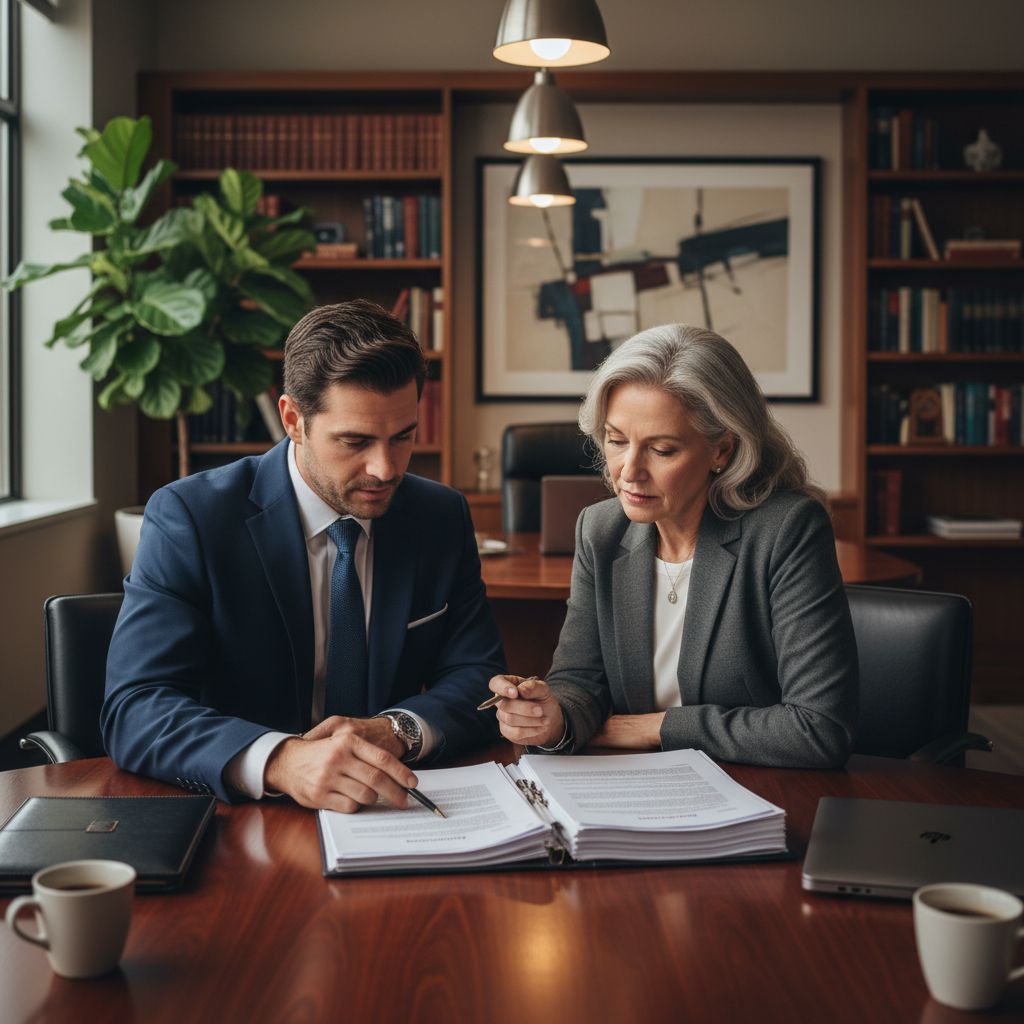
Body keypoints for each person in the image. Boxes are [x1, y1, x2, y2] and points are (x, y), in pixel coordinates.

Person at [103, 300, 505, 810]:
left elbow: (480, 676)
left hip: (394, 807)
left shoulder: (439, 515)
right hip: (242, 819)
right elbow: (136, 707)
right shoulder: (193, 517)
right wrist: (281, 759)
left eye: (402, 437)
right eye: (355, 441)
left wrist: (396, 728)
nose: (384, 469)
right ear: (293, 418)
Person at [486, 323, 858, 769]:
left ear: (722, 450)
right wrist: (554, 717)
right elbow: (579, 682)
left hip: (758, 790)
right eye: (617, 441)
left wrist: (652, 727)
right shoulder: (600, 530)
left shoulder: (786, 530)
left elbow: (819, 729)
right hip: (637, 788)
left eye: (661, 450)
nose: (628, 472)